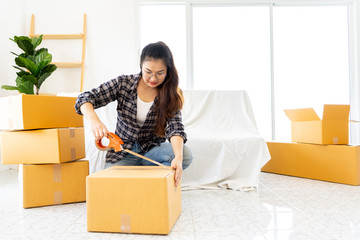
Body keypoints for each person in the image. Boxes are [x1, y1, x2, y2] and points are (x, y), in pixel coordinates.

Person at [75, 41, 192, 186]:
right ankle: (142, 178)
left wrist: (178, 158)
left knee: (185, 155)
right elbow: (84, 98)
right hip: (124, 151)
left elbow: (175, 128)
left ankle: (141, 176)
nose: (153, 78)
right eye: (148, 72)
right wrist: (94, 120)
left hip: (152, 151)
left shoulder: (172, 93)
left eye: (160, 73)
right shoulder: (124, 83)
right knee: (108, 185)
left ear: (168, 70)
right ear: (141, 65)